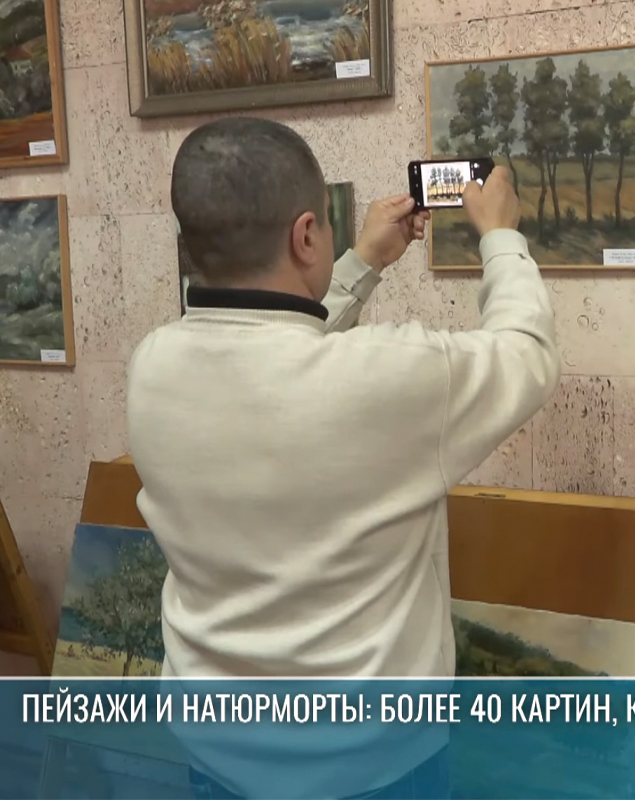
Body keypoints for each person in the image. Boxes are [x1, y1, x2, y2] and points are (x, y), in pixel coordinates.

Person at [126, 117, 560, 799]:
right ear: (305, 236)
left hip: (215, 751)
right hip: (373, 765)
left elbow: (273, 347)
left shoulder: (152, 367)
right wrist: (500, 235)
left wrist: (361, 263)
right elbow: (527, 354)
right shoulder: (389, 375)